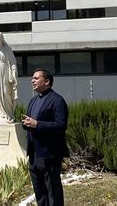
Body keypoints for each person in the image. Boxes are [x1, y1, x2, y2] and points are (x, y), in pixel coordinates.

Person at [22, 69, 69, 206]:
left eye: (36, 78)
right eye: (32, 78)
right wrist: (27, 124)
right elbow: (32, 125)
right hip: (34, 156)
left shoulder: (57, 101)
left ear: (47, 81)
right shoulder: (33, 100)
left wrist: (37, 124)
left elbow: (61, 126)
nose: (32, 81)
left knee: (52, 192)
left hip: (49, 155)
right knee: (40, 192)